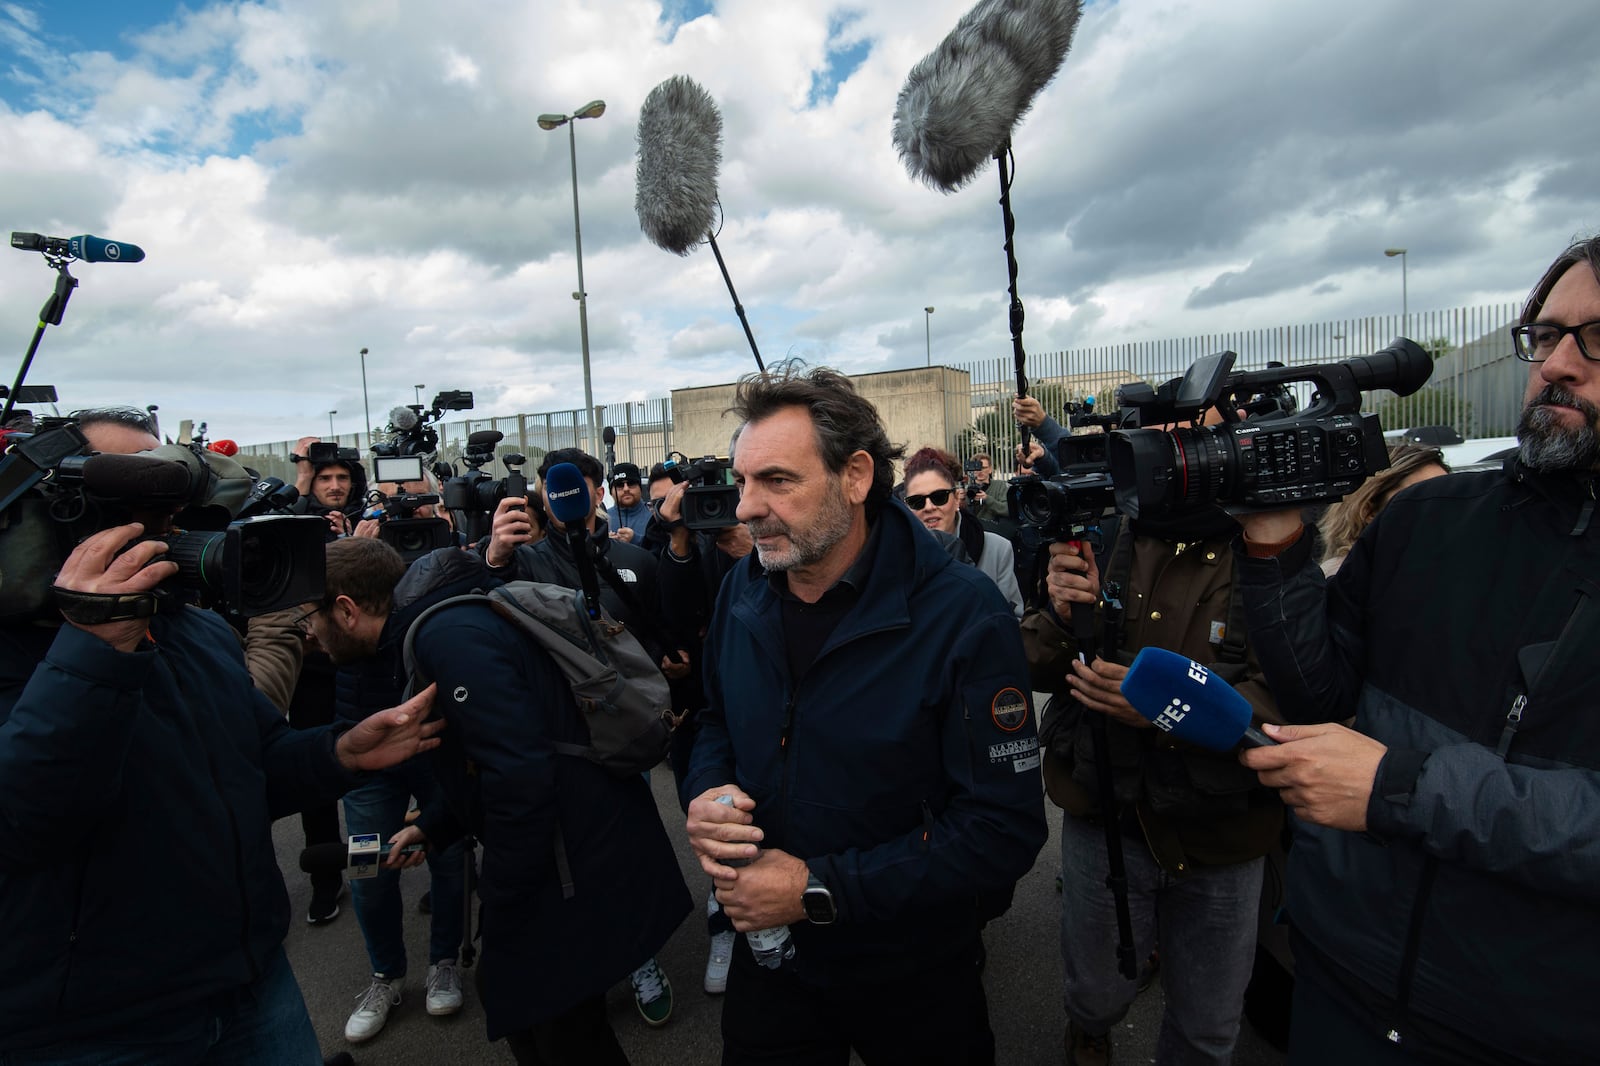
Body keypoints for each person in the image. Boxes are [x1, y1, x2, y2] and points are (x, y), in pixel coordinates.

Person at [1232, 236, 1600, 1065]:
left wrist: (1400, 790)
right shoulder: (1430, 518)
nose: (1559, 364)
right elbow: (1319, 695)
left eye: (1595, 337)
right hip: (1340, 984)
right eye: (1544, 336)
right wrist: (1272, 543)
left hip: (1533, 1030)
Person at [0, 409, 441, 1064]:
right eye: (136, 500)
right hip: (92, 1030)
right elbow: (22, 821)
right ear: (51, 515)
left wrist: (338, 752)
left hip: (252, 986)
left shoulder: (196, 629)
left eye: (176, 500)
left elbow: (251, 764)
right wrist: (93, 648)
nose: (169, 524)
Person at [684, 363, 1047, 1065]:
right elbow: (714, 721)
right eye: (742, 482)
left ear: (855, 477)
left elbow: (1001, 831)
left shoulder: (963, 614)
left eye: (776, 481)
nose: (746, 508)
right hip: (774, 967)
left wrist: (816, 889)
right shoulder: (742, 591)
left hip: (915, 972)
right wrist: (705, 791)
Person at [306, 539, 691, 1064]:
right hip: (566, 852)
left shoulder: (447, 635)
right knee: (543, 1016)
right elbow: (494, 760)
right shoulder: (440, 625)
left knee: (556, 1027)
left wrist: (502, 894)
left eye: (310, 615)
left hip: (569, 862)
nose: (307, 631)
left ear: (346, 609)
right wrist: (436, 824)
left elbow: (521, 775)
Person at [1022, 491, 1285, 1065]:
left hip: (1225, 836)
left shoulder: (1272, 541)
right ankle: (1088, 1028)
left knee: (1209, 1025)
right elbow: (1033, 667)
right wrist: (1064, 616)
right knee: (1096, 990)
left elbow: (1297, 700)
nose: (1171, 426)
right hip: (1107, 813)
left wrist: (1168, 710)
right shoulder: (1105, 533)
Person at [484, 446, 684, 1026]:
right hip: (553, 736)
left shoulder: (631, 559)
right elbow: (481, 607)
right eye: (552, 484)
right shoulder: (519, 559)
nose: (564, 494)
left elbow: (656, 633)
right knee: (567, 861)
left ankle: (640, 957)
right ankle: (585, 967)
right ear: (542, 491)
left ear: (596, 489)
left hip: (621, 729)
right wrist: (494, 554)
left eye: (580, 482)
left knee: (625, 849)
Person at [904, 446, 1024, 616]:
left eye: (939, 497)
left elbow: (1014, 621)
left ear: (956, 499)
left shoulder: (997, 549)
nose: (929, 507)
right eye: (917, 501)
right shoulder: (898, 557)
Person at [1316, 443, 1449, 576]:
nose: (1444, 508)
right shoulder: (1346, 583)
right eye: (1424, 497)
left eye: (1450, 496)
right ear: (1369, 512)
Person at [607, 462, 651, 543]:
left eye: (631, 483)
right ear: (611, 492)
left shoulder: (653, 516)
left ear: (640, 488)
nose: (626, 489)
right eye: (620, 485)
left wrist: (636, 540)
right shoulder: (603, 519)